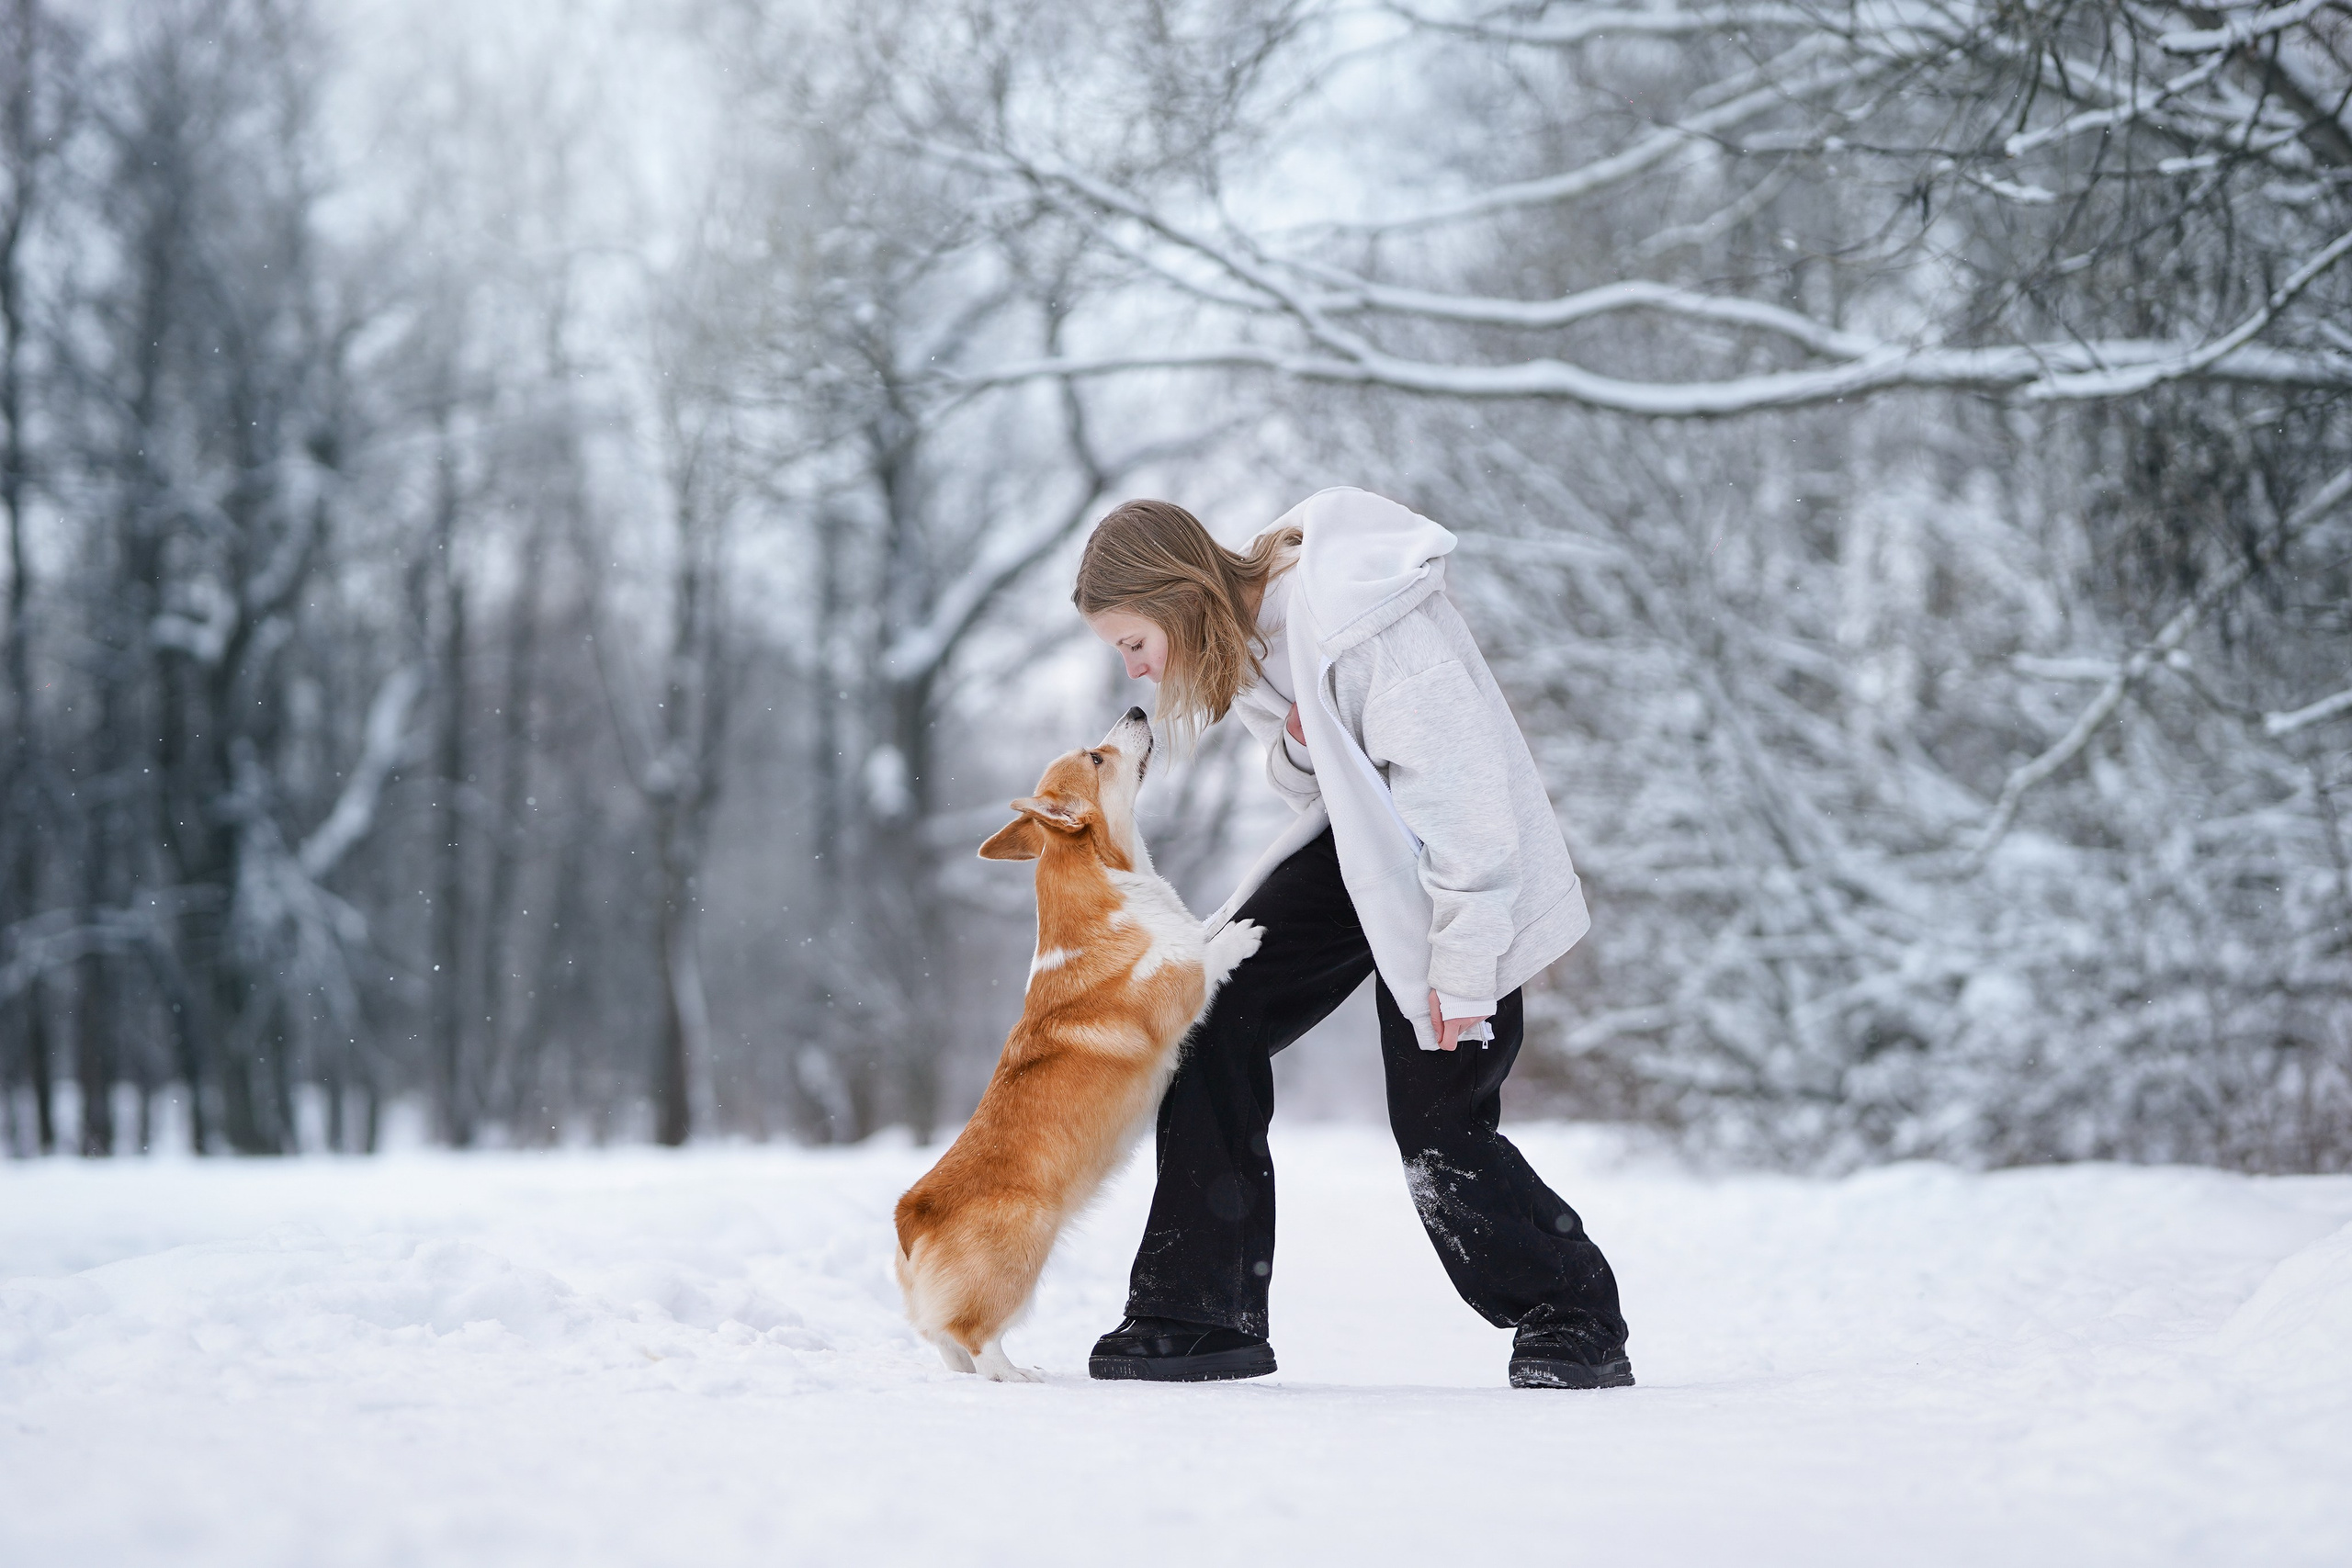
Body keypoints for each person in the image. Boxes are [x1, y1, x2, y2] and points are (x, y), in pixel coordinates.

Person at [1073, 486, 1632, 1389]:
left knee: (1438, 1121)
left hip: (1457, 874)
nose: (1136, 671)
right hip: (1364, 851)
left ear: (1179, 594)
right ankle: (1196, 1316)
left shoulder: (1352, 615)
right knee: (1205, 1012)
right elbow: (1325, 785)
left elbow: (1466, 793)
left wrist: (1464, 959)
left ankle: (1574, 1318)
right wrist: (1301, 748)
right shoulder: (1254, 645)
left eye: (1134, 643)